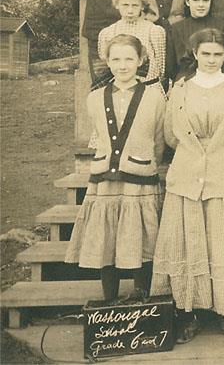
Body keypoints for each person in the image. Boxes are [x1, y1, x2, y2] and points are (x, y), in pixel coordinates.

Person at [152, 28, 224, 343]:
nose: (212, 60)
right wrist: (197, 151)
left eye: (218, 54)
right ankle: (192, 315)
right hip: (188, 177)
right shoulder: (181, 89)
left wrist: (220, 148)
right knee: (191, 245)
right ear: (195, 54)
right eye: (206, 54)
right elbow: (171, 134)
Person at [65, 34, 165, 303]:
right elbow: (100, 135)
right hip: (105, 179)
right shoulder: (95, 98)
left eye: (129, 59)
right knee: (106, 234)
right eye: (116, 59)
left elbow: (158, 140)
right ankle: (109, 299)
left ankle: (142, 296)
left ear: (140, 60)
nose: (123, 65)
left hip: (140, 178)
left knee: (141, 234)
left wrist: (144, 163)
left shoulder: (154, 97)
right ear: (107, 61)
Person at [96, 0, 166, 88]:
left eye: (135, 5)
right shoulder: (107, 33)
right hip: (118, 89)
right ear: (117, 4)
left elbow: (161, 67)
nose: (130, 11)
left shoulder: (154, 32)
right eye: (125, 5)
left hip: (148, 87)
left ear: (142, 6)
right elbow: (106, 68)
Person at [165, 0, 224, 83]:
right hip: (186, 81)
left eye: (205, 0)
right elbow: (170, 66)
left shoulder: (223, 27)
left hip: (216, 81)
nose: (201, 5)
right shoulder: (176, 29)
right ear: (187, 1)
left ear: (211, 1)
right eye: (196, 0)